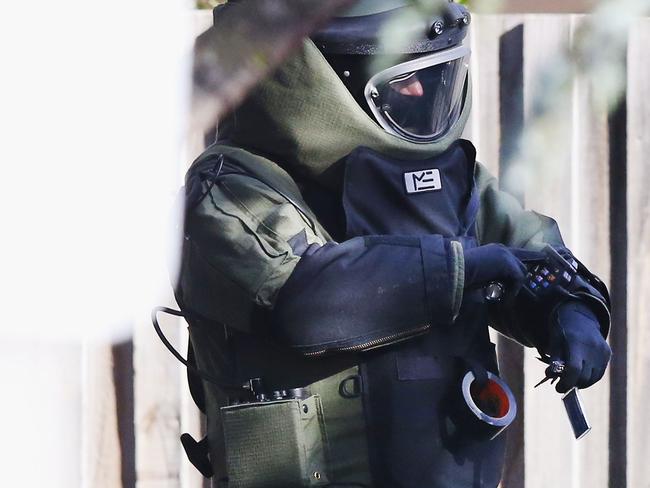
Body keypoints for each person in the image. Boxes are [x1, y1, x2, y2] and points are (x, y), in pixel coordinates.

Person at [173, 1, 611, 486]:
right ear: (319, 75)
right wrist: (459, 269)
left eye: (433, 73)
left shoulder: (450, 182)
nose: (421, 90)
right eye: (399, 77)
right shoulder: (227, 190)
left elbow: (528, 248)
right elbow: (306, 300)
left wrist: (570, 311)